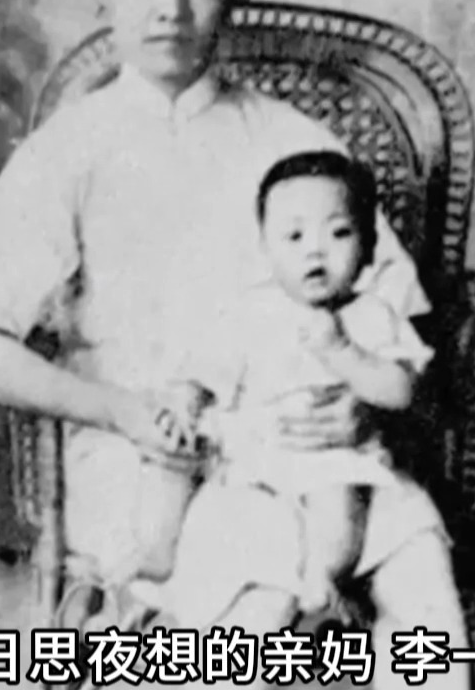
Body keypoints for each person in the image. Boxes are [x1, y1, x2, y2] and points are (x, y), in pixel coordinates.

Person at [0, 0, 472, 690]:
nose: (171, 7)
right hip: (154, 464)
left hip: (317, 453)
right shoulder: (69, 150)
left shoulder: (298, 144)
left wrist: (361, 403)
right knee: (241, 567)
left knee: (416, 566)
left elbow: (395, 313)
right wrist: (118, 408)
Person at [169, 150, 433, 619]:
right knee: (231, 524)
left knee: (340, 510)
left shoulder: (372, 315)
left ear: (369, 246)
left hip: (333, 456)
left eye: (339, 233)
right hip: (257, 457)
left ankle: (323, 576)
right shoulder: (252, 311)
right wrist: (188, 396)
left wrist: (344, 352)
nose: (315, 251)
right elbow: (208, 367)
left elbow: (400, 390)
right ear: (266, 250)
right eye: (294, 236)